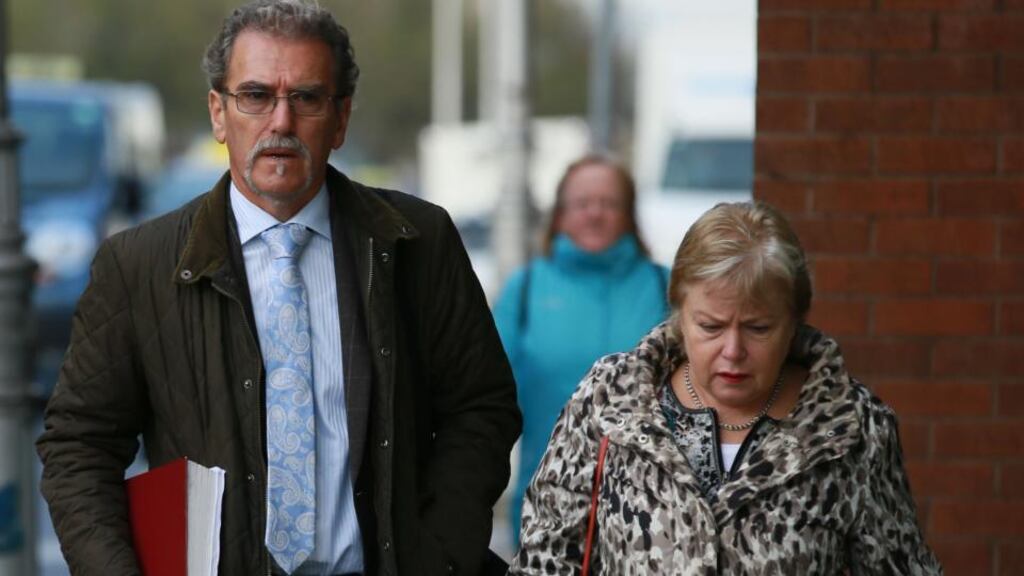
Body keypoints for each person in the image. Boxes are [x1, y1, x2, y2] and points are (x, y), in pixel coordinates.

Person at [36, 2, 521, 575]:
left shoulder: (419, 241)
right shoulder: (138, 265)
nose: (281, 123)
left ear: (340, 119)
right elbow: (78, 448)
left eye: (307, 98)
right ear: (219, 114)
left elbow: (481, 410)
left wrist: (437, 557)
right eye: (256, 96)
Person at [509, 201, 942, 575]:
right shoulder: (610, 399)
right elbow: (545, 560)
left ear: (794, 321)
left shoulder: (853, 429)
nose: (733, 350)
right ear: (679, 312)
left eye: (758, 328)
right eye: (710, 326)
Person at [492, 155, 668, 544]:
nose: (595, 214)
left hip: (651, 514)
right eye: (583, 203)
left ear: (629, 215)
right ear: (559, 215)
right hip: (547, 510)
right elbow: (484, 398)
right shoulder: (524, 291)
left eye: (609, 203)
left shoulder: (665, 288)